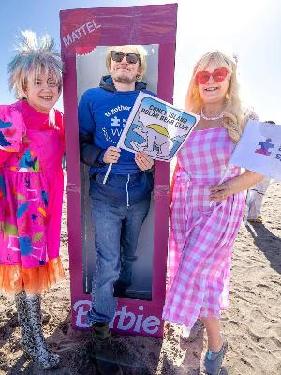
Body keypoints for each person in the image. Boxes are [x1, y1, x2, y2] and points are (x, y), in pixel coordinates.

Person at [162, 51, 263, 375]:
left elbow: (264, 166)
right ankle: (211, 341)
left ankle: (206, 341)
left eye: (218, 73)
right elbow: (175, 166)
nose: (210, 81)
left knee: (192, 270)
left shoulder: (246, 118)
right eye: (202, 75)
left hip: (221, 208)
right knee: (202, 279)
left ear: (229, 78)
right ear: (195, 81)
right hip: (185, 206)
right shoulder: (185, 119)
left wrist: (236, 186)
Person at [78, 45, 154, 375]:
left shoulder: (150, 103)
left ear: (139, 68)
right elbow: (79, 142)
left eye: (132, 58)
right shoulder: (91, 98)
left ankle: (121, 294)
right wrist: (97, 155)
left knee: (130, 254)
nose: (124, 61)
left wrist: (151, 164)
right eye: (118, 57)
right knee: (107, 260)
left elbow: (164, 146)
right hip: (105, 194)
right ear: (110, 64)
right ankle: (100, 327)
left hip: (139, 194)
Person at [0, 31, 65, 369]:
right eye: (38, 80)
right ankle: (33, 340)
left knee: (33, 275)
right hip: (18, 216)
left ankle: (29, 334)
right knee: (28, 278)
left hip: (47, 211)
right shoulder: (10, 116)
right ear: (22, 85)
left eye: (53, 81)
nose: (47, 87)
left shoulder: (61, 123)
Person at [245, 120, 275, 223]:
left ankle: (251, 214)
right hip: (262, 169)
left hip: (259, 169)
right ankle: (252, 215)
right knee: (258, 192)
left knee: (255, 191)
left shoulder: (259, 137)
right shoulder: (268, 139)